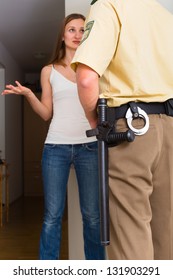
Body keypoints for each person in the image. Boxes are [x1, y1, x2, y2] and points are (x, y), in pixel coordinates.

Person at [71, 0, 173, 260]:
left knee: (129, 235)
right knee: (166, 232)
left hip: (133, 130)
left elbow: (86, 78)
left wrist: (97, 124)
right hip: (170, 127)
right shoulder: (164, 14)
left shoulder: (108, 5)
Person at [2, 13, 105, 260]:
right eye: (72, 30)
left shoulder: (95, 69)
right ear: (62, 35)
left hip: (90, 146)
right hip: (56, 147)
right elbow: (46, 113)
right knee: (52, 215)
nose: (77, 35)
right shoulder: (48, 70)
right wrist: (29, 94)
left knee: (92, 216)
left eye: (82, 30)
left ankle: (97, 271)